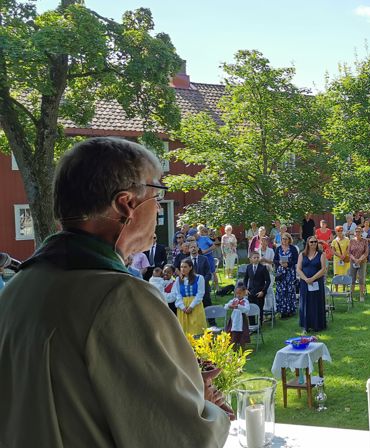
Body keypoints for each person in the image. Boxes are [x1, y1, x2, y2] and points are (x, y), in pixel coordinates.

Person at [0, 138, 231, 446]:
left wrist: (181, 386)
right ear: (127, 204)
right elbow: (181, 438)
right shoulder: (120, 297)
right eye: (157, 195)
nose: (161, 210)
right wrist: (207, 408)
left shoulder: (17, 289)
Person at [298, 236, 327, 333]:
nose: (313, 243)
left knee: (316, 303)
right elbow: (298, 269)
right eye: (311, 242)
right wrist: (306, 279)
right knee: (306, 303)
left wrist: (313, 278)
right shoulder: (302, 254)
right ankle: (306, 325)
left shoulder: (321, 254)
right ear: (308, 243)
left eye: (315, 242)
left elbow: (323, 269)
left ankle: (317, 325)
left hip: (317, 282)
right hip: (305, 283)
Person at [273, 233, 299, 318]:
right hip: (280, 272)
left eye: (286, 239)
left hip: (290, 272)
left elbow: (296, 260)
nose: (284, 240)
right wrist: (279, 263)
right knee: (281, 291)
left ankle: (290, 310)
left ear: (289, 239)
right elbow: (275, 260)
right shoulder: (278, 249)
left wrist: (288, 264)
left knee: (290, 290)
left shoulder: (293, 248)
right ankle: (281, 310)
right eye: (283, 239)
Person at [242, 252, 271, 324]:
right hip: (251, 291)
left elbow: (268, 280)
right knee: (251, 308)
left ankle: (260, 323)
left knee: (260, 308)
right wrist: (245, 289)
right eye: (254, 258)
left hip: (260, 292)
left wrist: (263, 291)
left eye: (258, 257)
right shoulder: (248, 267)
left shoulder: (263, 268)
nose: (256, 259)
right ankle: (252, 324)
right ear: (251, 259)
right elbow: (245, 279)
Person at [224, 283, 251, 350]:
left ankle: (242, 351)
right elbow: (225, 306)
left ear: (244, 293)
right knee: (233, 335)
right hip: (234, 320)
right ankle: (233, 350)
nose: (238, 295)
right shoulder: (234, 300)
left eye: (240, 293)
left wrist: (238, 306)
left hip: (242, 320)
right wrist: (229, 306)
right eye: (237, 293)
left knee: (242, 335)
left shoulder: (245, 301)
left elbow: (246, 309)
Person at [348, 228, 369, 301]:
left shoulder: (365, 241)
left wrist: (360, 259)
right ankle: (351, 296)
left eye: (359, 231)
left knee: (361, 279)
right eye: (356, 231)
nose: (357, 233)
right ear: (354, 233)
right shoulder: (351, 241)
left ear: (361, 232)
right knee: (352, 279)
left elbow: (366, 252)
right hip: (353, 261)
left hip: (362, 262)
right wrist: (355, 259)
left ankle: (361, 296)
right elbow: (349, 252)